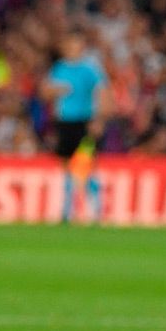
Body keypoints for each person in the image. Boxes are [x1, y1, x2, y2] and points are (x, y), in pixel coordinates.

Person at [44, 31, 108, 222]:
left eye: (75, 44)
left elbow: (102, 92)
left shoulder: (90, 69)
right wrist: (54, 91)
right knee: (66, 166)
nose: (72, 48)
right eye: (69, 44)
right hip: (64, 122)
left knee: (85, 165)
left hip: (84, 122)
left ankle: (96, 209)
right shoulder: (59, 68)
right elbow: (45, 92)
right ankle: (67, 211)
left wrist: (98, 119)